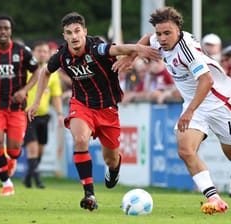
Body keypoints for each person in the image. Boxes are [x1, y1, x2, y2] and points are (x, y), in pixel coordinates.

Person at [115, 7, 231, 214]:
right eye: (159, 33)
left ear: (178, 30)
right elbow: (146, 38)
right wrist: (132, 56)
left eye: (167, 33)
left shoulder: (187, 49)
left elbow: (206, 81)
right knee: (185, 150)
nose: (161, 38)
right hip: (194, 105)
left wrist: (188, 111)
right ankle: (214, 198)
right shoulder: (158, 40)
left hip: (218, 103)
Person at [27, 12, 161, 211]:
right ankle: (89, 194)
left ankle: (114, 168)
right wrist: (36, 102)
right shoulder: (62, 56)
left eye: (77, 31)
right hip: (81, 105)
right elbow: (45, 72)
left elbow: (118, 49)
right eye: (69, 33)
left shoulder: (96, 48)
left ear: (85, 32)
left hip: (107, 109)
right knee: (80, 139)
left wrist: (138, 49)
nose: (74, 36)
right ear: (64, 36)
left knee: (111, 159)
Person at [0, 14, 39, 196]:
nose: (3, 31)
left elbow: (36, 72)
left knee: (14, 151)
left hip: (17, 108)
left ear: (11, 31)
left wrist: (24, 90)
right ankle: (6, 183)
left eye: (6, 28)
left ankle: (11, 160)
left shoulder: (22, 51)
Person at [23, 41, 63, 188]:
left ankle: (28, 176)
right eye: (39, 51)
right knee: (32, 148)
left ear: (49, 54)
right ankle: (37, 180)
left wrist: (59, 114)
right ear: (33, 53)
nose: (42, 54)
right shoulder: (27, 71)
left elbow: (56, 96)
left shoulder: (52, 74)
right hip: (27, 115)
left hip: (44, 116)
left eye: (45, 51)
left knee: (40, 150)